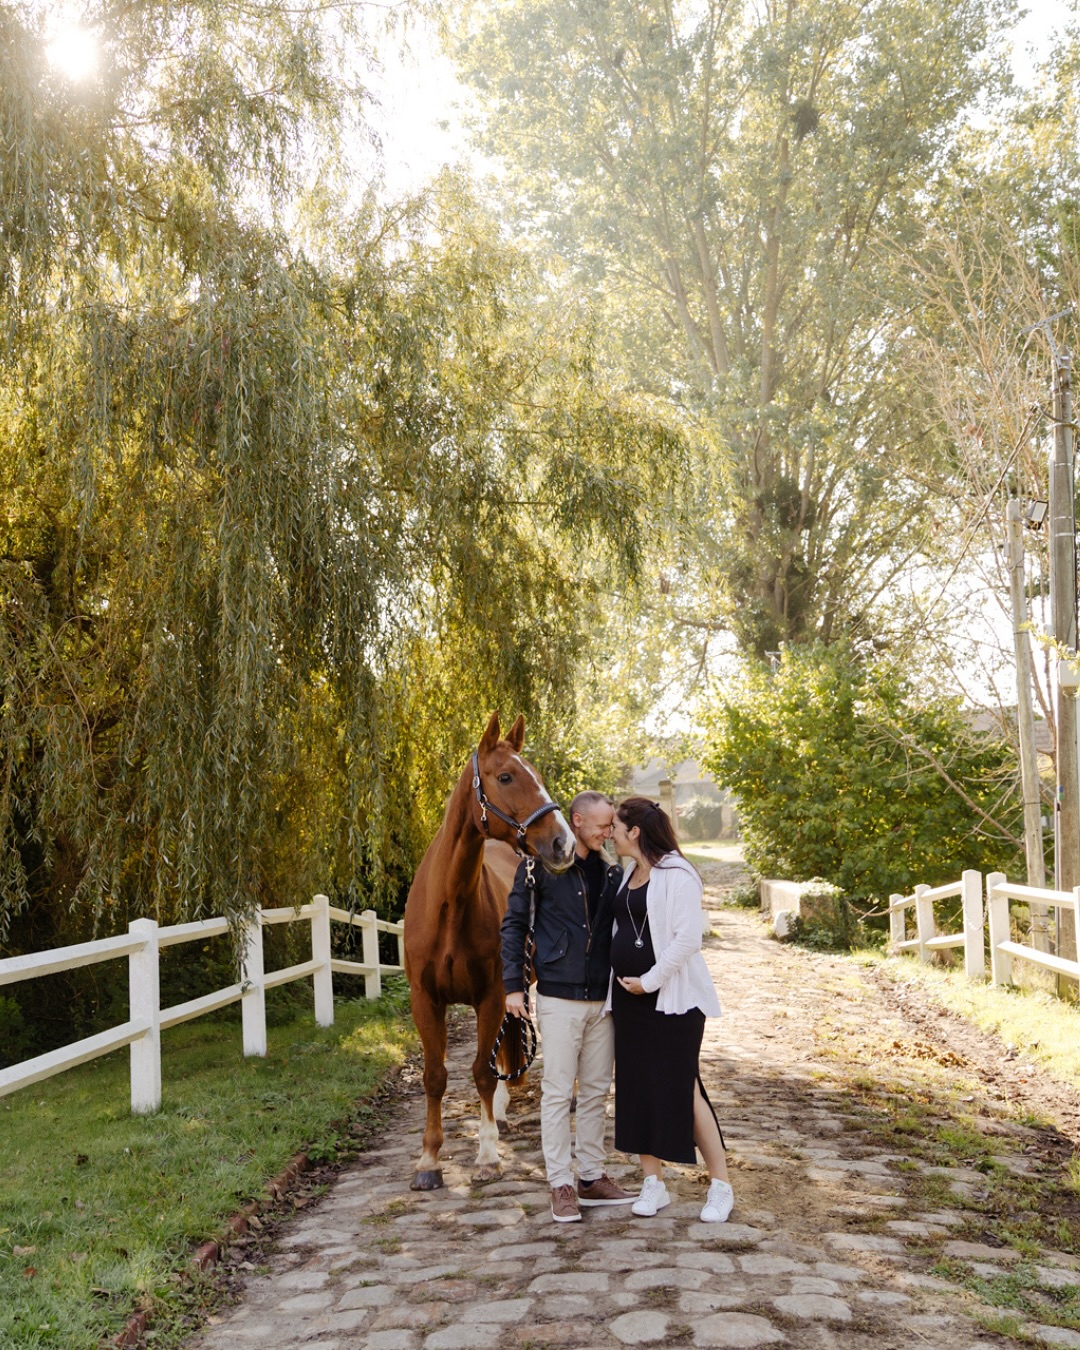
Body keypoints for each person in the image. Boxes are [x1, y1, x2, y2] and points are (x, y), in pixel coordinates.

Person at [502, 790, 635, 1222]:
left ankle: (591, 1177)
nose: (607, 831)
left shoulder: (613, 874)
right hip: (558, 997)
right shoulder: (536, 869)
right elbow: (514, 927)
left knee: (596, 1092)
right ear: (576, 821)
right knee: (558, 1093)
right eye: (600, 825)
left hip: (603, 999)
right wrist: (513, 987)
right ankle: (560, 1183)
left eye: (609, 824)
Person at [608, 795, 734, 1223]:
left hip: (672, 1001)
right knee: (637, 1086)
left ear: (635, 832)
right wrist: (628, 987)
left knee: (684, 1087)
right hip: (629, 1001)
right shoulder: (628, 873)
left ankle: (720, 1186)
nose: (611, 833)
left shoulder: (678, 873)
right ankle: (653, 1183)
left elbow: (687, 940)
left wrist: (649, 982)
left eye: (616, 827)